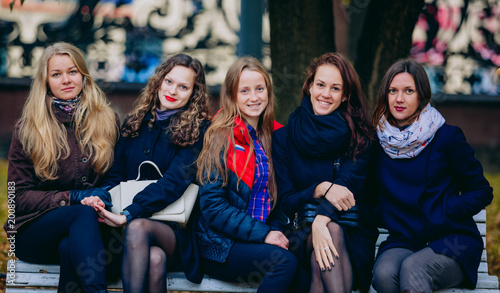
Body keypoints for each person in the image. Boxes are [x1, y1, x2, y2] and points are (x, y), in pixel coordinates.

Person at [370, 58, 493, 293]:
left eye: (408, 91)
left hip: (452, 239)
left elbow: (481, 191)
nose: (399, 99)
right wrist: (386, 214)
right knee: (384, 275)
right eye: (393, 91)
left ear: (421, 95)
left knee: (414, 270)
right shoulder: (378, 144)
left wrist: (446, 210)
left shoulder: (447, 137)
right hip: (405, 240)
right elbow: (370, 198)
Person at [91, 53, 210, 293]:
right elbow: (116, 176)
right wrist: (101, 198)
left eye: (183, 87)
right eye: (169, 81)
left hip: (175, 230)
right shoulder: (134, 123)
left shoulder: (199, 129)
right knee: (155, 260)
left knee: (139, 227)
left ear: (193, 94)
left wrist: (130, 212)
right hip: (127, 229)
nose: (173, 91)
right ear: (158, 81)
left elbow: (175, 182)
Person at [5, 42, 119, 293]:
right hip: (34, 232)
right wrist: (73, 198)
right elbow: (17, 198)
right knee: (80, 213)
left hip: (91, 232)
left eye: (72, 71)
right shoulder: (28, 129)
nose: (66, 80)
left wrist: (103, 195)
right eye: (56, 74)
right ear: (45, 81)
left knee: (72, 247)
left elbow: (116, 175)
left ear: (83, 75)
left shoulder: (107, 120)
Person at [195, 57, 306, 293]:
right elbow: (213, 207)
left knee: (304, 262)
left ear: (268, 92)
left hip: (258, 239)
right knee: (284, 262)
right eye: (244, 91)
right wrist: (265, 234)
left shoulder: (275, 137)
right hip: (221, 245)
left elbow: (277, 202)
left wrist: (273, 230)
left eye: (259, 89)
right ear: (232, 95)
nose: (254, 98)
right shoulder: (219, 137)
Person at [272, 52, 377, 293]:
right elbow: (286, 200)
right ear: (309, 86)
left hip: (352, 237)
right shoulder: (283, 138)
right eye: (320, 85)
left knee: (330, 237)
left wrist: (321, 221)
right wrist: (319, 189)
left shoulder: (360, 136)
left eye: (335, 89)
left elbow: (347, 182)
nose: (326, 94)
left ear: (345, 96)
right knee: (329, 236)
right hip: (299, 236)